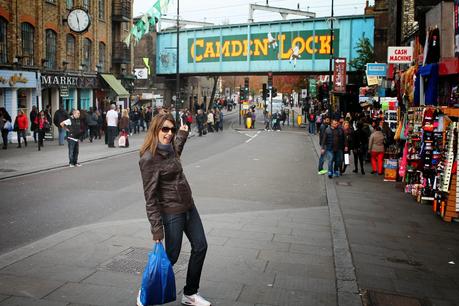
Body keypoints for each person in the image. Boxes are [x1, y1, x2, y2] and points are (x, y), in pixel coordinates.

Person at [139, 113, 210, 306]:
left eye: (171, 129)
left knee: (201, 246)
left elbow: (174, 154)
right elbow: (150, 197)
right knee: (170, 256)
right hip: (171, 212)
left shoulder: (170, 149)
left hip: (189, 206)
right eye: (165, 129)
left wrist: (182, 134)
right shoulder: (148, 159)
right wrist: (156, 228)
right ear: (155, 130)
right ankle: (146, 290)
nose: (169, 134)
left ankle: (190, 293)